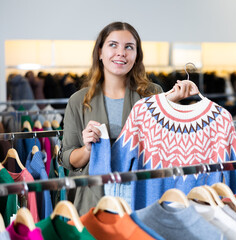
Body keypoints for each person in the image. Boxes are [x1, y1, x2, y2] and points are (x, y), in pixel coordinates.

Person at [60, 21, 199, 214]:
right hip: (94, 203)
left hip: (141, 198)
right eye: (113, 45)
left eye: (129, 47)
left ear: (136, 56)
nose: (121, 53)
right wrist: (87, 149)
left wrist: (169, 104)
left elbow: (164, 149)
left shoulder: (153, 93)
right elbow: (68, 158)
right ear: (100, 52)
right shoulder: (78, 101)